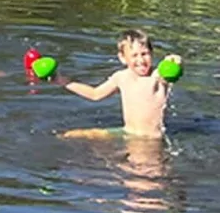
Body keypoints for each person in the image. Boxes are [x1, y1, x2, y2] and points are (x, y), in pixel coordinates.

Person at [52, 29, 180, 139]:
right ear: (123, 58)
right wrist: (64, 82)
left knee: (143, 167)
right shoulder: (121, 77)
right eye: (134, 55)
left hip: (149, 139)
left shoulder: (157, 76)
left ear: (151, 53)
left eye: (144, 54)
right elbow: (95, 94)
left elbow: (169, 74)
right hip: (127, 132)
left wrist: (175, 61)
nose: (140, 60)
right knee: (77, 134)